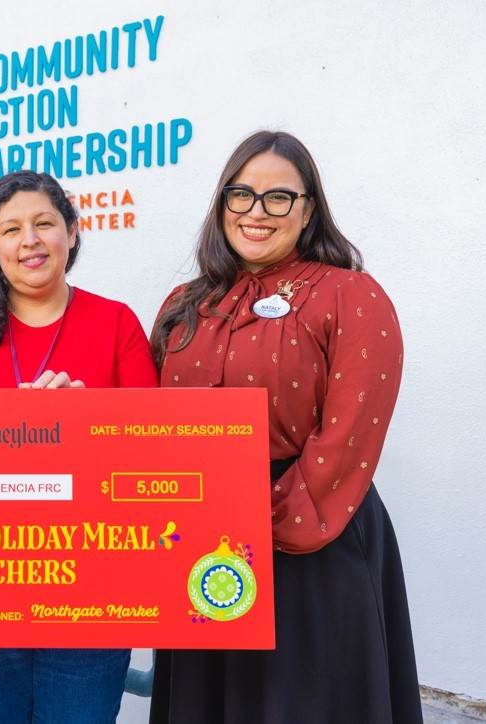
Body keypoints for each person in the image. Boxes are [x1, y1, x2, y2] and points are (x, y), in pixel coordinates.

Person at [148, 130, 421, 723]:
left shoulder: (350, 295)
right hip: (200, 539)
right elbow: (148, 422)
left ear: (308, 209)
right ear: (222, 203)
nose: (257, 212)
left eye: (278, 197)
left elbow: (350, 434)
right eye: (241, 194)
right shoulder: (184, 303)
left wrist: (262, 523)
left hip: (313, 533)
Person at [0, 170, 157, 723]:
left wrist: (87, 423)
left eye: (44, 223)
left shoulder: (116, 323)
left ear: (71, 231)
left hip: (92, 594)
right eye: (11, 229)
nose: (30, 240)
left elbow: (150, 455)